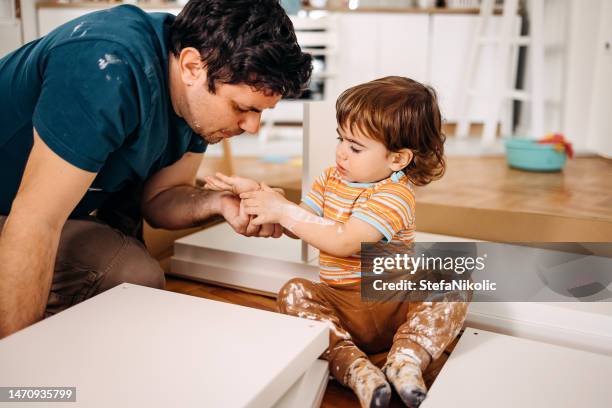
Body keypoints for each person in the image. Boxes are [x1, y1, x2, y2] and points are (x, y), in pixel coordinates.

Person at [0, 0, 312, 339]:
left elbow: (161, 199)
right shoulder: (106, 68)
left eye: (261, 112)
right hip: (23, 215)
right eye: (241, 107)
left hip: (43, 215)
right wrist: (19, 376)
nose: (252, 127)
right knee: (125, 278)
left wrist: (219, 202)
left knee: (134, 277)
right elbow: (35, 220)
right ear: (193, 66)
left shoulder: (193, 84)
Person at [204, 77, 469, 408]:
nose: (341, 151)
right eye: (341, 139)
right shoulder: (329, 179)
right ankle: (356, 369)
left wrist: (284, 211)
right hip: (338, 304)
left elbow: (346, 241)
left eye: (355, 147)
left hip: (393, 302)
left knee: (454, 272)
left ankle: (407, 358)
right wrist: (262, 198)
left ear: (397, 159)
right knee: (293, 292)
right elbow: (302, 224)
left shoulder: (395, 195)